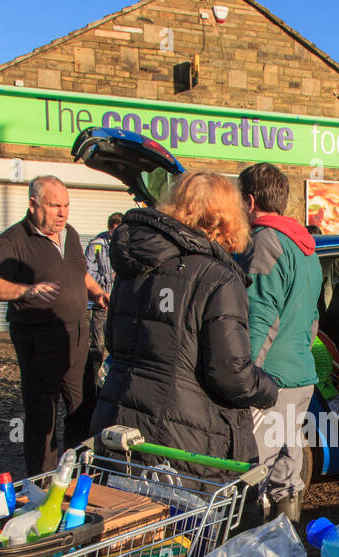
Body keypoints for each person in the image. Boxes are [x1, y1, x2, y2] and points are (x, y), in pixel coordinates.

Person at [91, 172, 277, 476]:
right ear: (227, 216)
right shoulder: (218, 278)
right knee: (183, 520)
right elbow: (229, 373)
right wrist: (268, 388)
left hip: (119, 421)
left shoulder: (132, 266)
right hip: (181, 437)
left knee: (133, 518)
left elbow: (113, 340)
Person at [0, 175, 108, 476]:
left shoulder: (71, 234)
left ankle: (78, 478)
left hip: (75, 335)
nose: (62, 213)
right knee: (42, 418)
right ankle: (42, 482)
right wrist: (25, 291)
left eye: (66, 205)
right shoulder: (14, 240)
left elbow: (79, 272)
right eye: (54, 206)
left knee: (82, 410)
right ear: (33, 205)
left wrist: (96, 291)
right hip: (38, 339)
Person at [236, 163, 322, 522]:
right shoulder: (306, 249)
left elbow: (260, 316)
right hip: (300, 376)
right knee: (287, 468)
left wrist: (246, 377)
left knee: (255, 471)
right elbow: (313, 320)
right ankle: (287, 550)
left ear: (250, 200)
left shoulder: (265, 242)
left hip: (270, 380)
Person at [83, 211, 124, 382]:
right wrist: (109, 278)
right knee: (97, 345)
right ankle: (92, 384)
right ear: (109, 229)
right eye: (114, 231)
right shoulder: (97, 245)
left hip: (121, 303)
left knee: (120, 345)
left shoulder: (127, 245)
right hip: (102, 302)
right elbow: (87, 272)